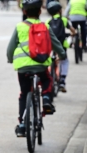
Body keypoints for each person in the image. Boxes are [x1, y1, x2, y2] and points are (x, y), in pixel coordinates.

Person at [6, 0, 66, 137]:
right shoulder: (45, 26)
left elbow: (10, 48)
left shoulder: (20, 26)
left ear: (24, 12)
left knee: (24, 93)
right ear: (40, 11)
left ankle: (22, 125)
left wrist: (10, 59)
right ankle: (45, 98)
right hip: (40, 65)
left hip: (23, 67)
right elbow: (56, 44)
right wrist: (62, 55)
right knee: (47, 80)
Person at [46, 1, 76, 92]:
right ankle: (62, 80)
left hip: (50, 45)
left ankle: (50, 75)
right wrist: (73, 33)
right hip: (61, 45)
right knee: (64, 61)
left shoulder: (48, 21)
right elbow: (72, 30)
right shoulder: (64, 20)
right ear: (59, 11)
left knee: (50, 59)